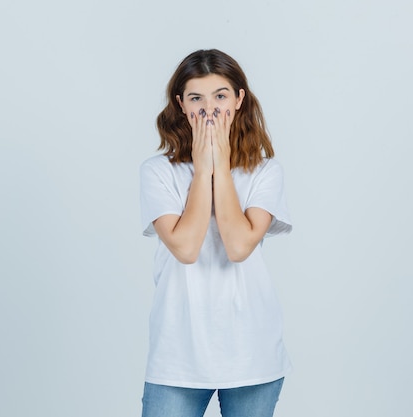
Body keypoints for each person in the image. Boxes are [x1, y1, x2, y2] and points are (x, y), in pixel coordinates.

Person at [139, 49, 293, 417]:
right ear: (180, 105)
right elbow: (186, 248)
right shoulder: (157, 172)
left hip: (252, 354)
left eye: (220, 96)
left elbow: (239, 246)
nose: (210, 111)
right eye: (196, 99)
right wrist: (201, 163)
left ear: (239, 99)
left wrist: (218, 166)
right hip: (177, 356)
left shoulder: (264, 172)